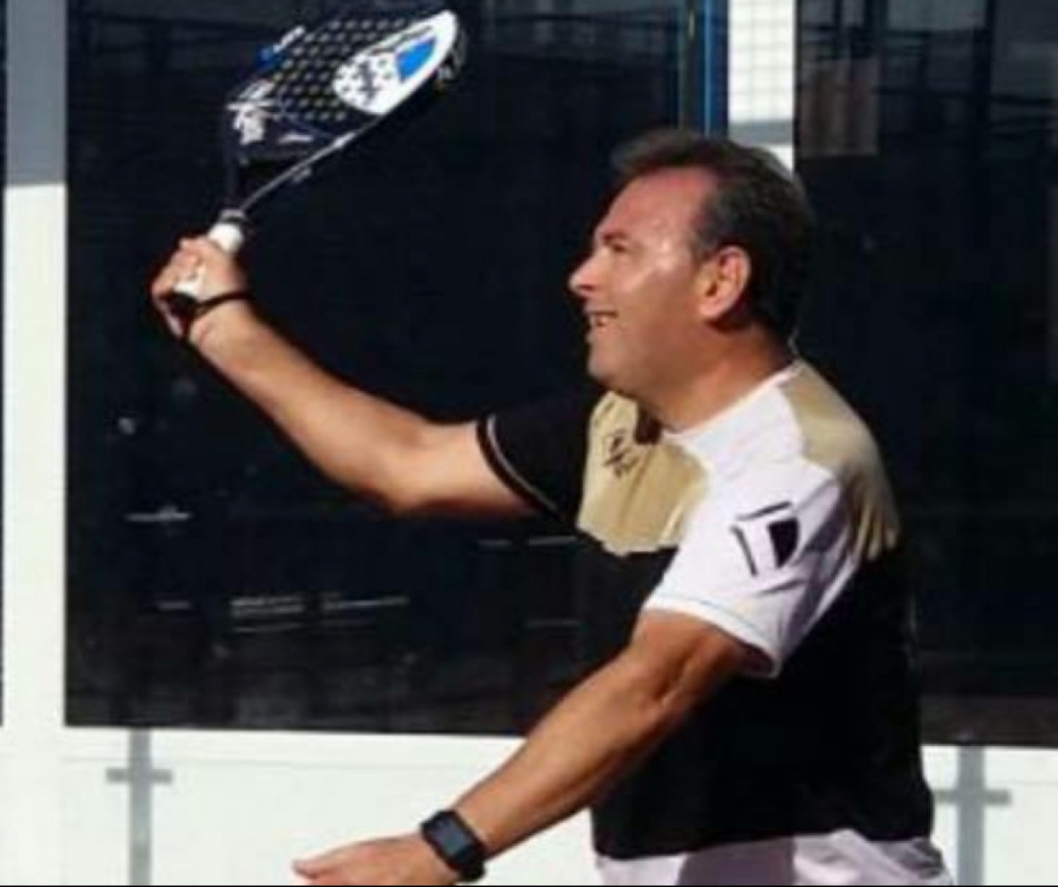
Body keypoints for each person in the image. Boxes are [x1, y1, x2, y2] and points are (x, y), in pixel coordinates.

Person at [150, 129, 949, 886]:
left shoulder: (799, 461)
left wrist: (439, 849)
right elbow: (406, 463)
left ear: (720, 281)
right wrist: (223, 327)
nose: (582, 276)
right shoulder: (617, 425)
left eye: (619, 249)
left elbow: (658, 680)